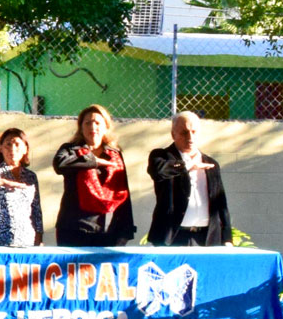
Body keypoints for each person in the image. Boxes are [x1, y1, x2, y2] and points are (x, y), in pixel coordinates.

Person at [52, 104, 135, 246]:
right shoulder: (70, 150)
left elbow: (123, 193)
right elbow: (59, 165)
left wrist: (125, 230)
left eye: (97, 122)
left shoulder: (115, 155)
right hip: (73, 228)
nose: (92, 127)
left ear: (106, 127)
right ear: (81, 127)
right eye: (87, 123)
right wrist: (93, 161)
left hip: (107, 228)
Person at [148, 111, 232, 246]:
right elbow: (159, 172)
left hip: (206, 238)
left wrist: (227, 238)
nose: (190, 137)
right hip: (173, 237)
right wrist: (188, 165)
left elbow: (220, 203)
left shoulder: (211, 163)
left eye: (194, 132)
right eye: (184, 132)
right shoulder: (162, 156)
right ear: (173, 134)